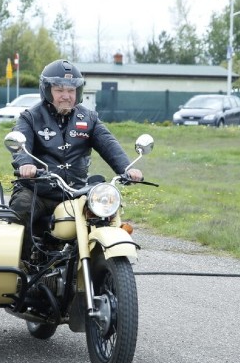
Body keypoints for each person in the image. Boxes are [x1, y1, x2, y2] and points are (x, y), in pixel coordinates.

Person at [9, 59, 143, 262]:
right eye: (59, 90)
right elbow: (21, 143)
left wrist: (127, 168)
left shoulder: (89, 118)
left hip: (75, 192)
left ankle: (99, 267)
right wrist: (25, 164)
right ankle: (22, 267)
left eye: (71, 90)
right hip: (39, 190)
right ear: (47, 90)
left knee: (104, 215)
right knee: (20, 210)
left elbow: (108, 144)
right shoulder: (31, 117)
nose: (66, 96)